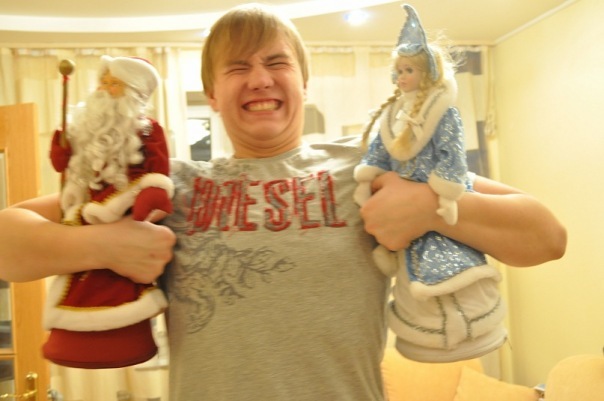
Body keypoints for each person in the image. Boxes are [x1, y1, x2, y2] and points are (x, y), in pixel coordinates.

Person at [0, 3, 566, 401]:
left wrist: (431, 207)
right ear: (213, 95)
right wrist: (101, 243)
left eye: (276, 63)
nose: (260, 79)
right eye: (238, 67)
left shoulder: (370, 168)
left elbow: (545, 236)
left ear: (303, 81)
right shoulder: (171, 185)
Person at [354, 4, 505, 363]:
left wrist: (445, 191)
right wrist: (369, 173)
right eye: (398, 71)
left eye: (408, 70)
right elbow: (380, 147)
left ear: (427, 72)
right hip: (400, 206)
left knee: (451, 261)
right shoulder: (394, 115)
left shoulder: (443, 112)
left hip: (438, 197)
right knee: (411, 268)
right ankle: (425, 328)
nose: (401, 77)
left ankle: (468, 322)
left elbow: (452, 152)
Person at [43, 55, 173, 369]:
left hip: (125, 210)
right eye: (103, 82)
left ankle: (120, 339)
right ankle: (71, 340)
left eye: (114, 83)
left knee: (117, 281)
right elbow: (67, 166)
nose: (104, 88)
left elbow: (158, 170)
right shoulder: (85, 131)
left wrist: (153, 193)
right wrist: (62, 151)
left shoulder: (148, 130)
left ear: (133, 91)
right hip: (86, 215)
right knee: (81, 276)